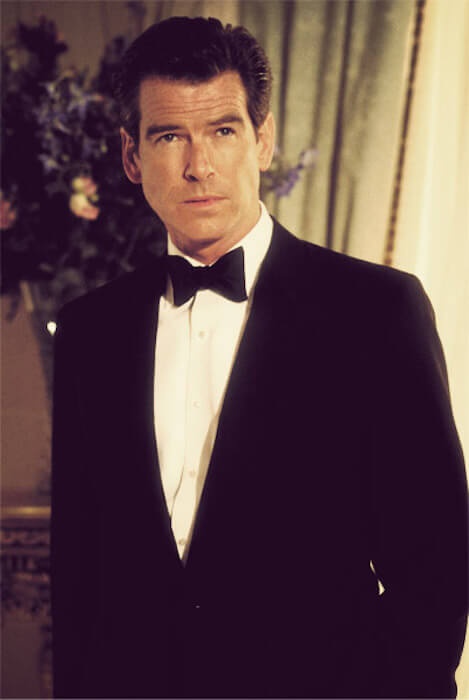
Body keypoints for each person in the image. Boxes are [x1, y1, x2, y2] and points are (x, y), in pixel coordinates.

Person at [51, 16, 468, 699]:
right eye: (169, 136)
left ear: (263, 139)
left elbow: (435, 568)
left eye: (223, 130)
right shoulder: (89, 330)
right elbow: (79, 577)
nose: (199, 166)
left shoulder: (376, 311)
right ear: (131, 156)